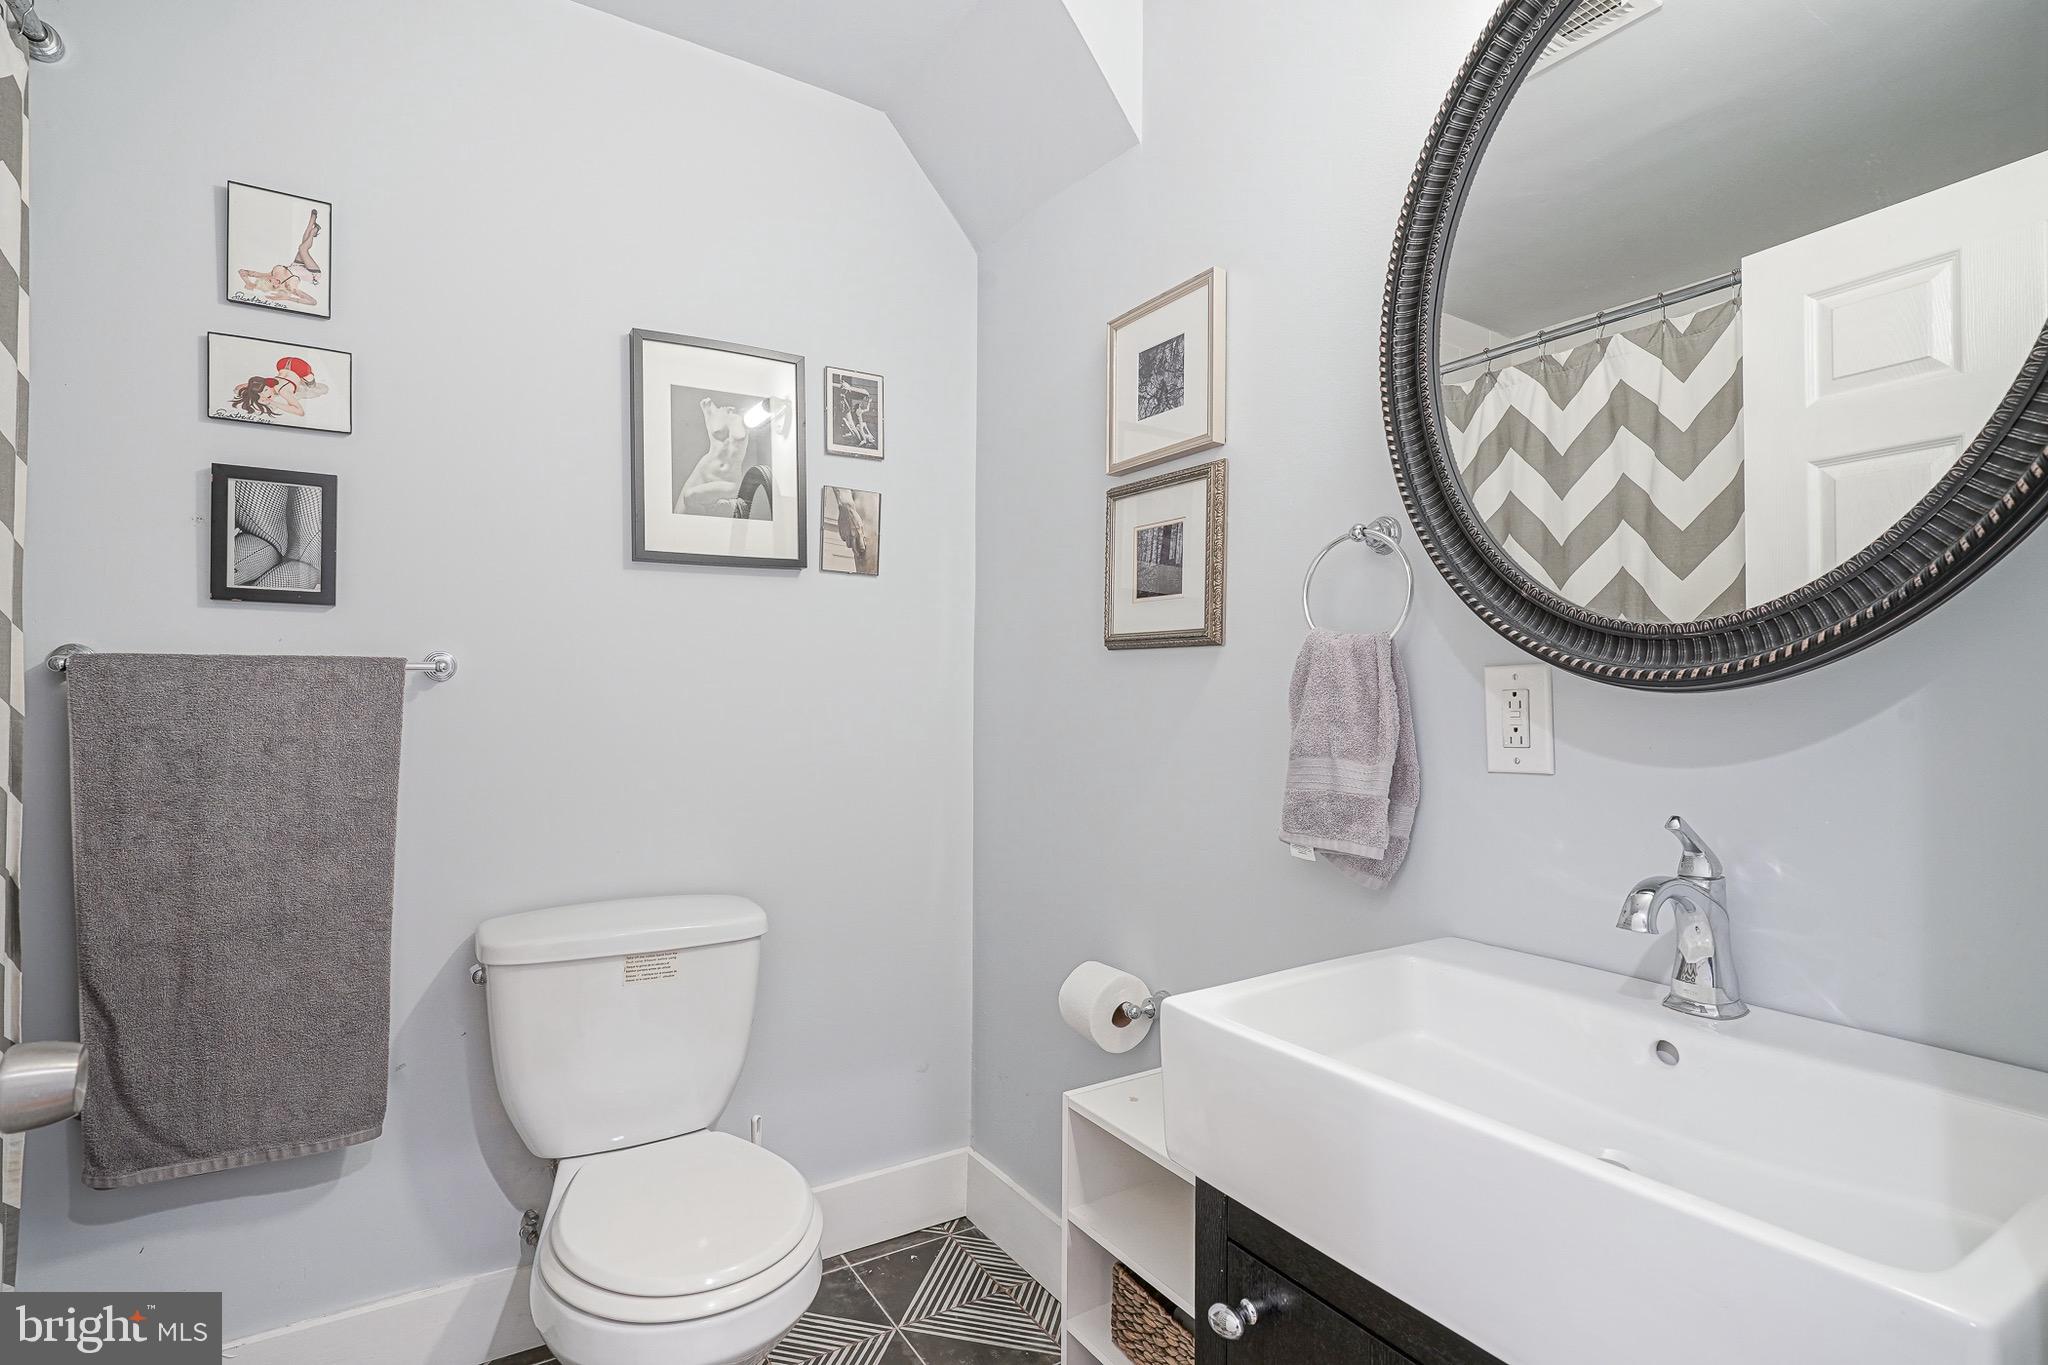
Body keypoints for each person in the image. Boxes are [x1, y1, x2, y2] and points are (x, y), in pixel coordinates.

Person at [235, 209, 323, 308]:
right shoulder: (289, 287)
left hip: (297, 265)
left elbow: (242, 271)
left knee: (302, 244)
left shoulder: (270, 275)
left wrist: (248, 283)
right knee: (303, 249)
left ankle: (312, 223)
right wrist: (289, 298)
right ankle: (314, 232)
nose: (269, 278)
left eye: (268, 279)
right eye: (270, 282)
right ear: (275, 286)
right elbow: (313, 302)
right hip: (312, 273)